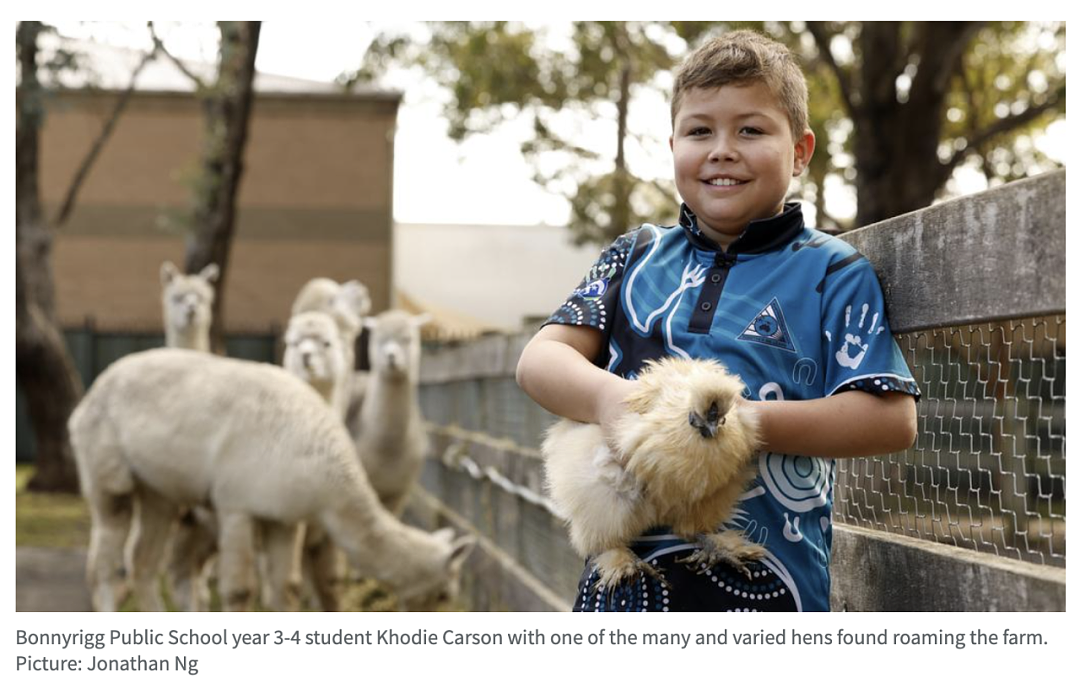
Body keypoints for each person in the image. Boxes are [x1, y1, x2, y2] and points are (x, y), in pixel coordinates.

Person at [515, 29, 919, 612]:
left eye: (750, 130)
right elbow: (540, 361)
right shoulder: (636, 256)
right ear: (674, 143)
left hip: (767, 594)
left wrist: (732, 426)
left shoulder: (832, 272)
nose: (722, 149)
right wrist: (616, 404)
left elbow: (889, 419)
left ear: (801, 152)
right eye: (700, 130)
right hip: (625, 596)